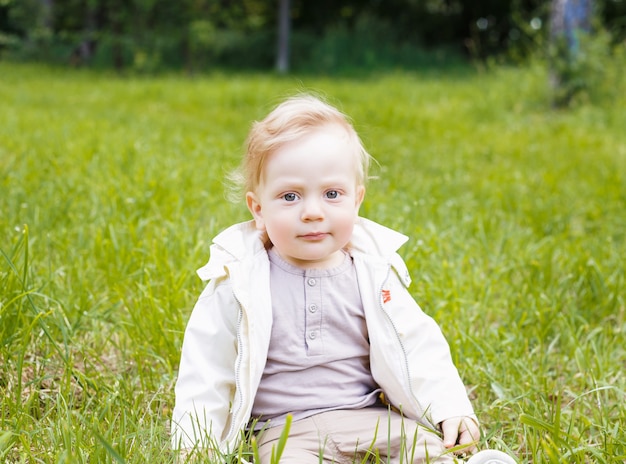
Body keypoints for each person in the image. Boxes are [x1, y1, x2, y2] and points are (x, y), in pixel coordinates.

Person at [171, 95, 516, 464]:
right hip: (284, 431)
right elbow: (206, 368)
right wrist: (195, 444)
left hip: (373, 418)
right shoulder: (239, 281)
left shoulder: (372, 271)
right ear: (258, 209)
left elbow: (417, 346)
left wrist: (450, 407)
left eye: (332, 194)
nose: (313, 212)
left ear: (357, 200)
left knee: (425, 449)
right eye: (290, 196)